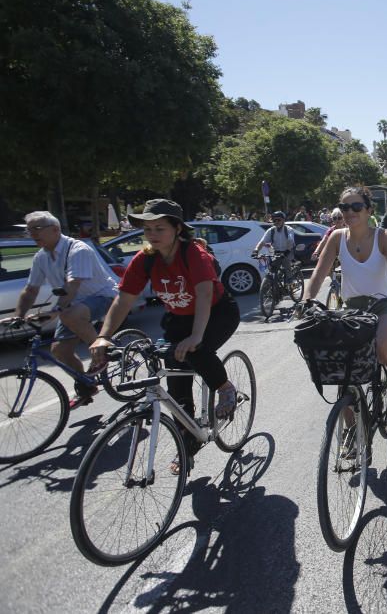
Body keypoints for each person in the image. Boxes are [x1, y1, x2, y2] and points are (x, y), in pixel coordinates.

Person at [90, 199, 241, 473]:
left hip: (218, 312)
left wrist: (196, 336)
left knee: (196, 351)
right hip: (179, 318)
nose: (152, 235)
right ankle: (188, 442)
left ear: (177, 228)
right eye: (147, 229)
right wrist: (103, 336)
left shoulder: (193, 253)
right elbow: (123, 300)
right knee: (175, 379)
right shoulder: (145, 260)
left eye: (159, 228)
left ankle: (225, 388)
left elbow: (205, 294)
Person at [304, 187, 387, 399]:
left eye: (356, 206)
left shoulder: (384, 237)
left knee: (382, 347)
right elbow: (318, 275)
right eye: (344, 207)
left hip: (383, 305)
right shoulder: (336, 237)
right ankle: (351, 430)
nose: (349, 212)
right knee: (343, 372)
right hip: (352, 308)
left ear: (368, 211)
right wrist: (306, 302)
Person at [8, 211, 118, 408]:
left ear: (55, 229)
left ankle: (101, 353)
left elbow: (73, 284)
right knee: (60, 351)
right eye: (29, 230)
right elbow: (30, 289)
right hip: (74, 306)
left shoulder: (78, 249)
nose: (32, 234)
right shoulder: (41, 257)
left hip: (104, 297)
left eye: (37, 229)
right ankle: (86, 386)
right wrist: (18, 316)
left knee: (68, 314)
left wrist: (57, 310)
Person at [253, 211, 296, 279]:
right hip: (276, 252)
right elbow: (262, 242)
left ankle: (290, 282)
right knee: (273, 269)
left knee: (287, 267)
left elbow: (290, 241)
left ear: (283, 220)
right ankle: (274, 284)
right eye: (274, 220)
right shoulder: (271, 230)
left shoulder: (288, 230)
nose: (276, 222)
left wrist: (286, 252)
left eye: (279, 220)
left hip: (287, 251)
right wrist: (256, 251)